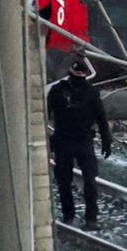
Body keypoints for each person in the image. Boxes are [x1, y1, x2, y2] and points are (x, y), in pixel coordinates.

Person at [47, 54, 113, 230]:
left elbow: (101, 117)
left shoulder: (90, 93)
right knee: (64, 181)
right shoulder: (58, 91)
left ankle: (90, 218)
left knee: (89, 181)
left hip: (82, 141)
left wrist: (106, 139)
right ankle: (70, 215)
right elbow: (44, 113)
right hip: (64, 141)